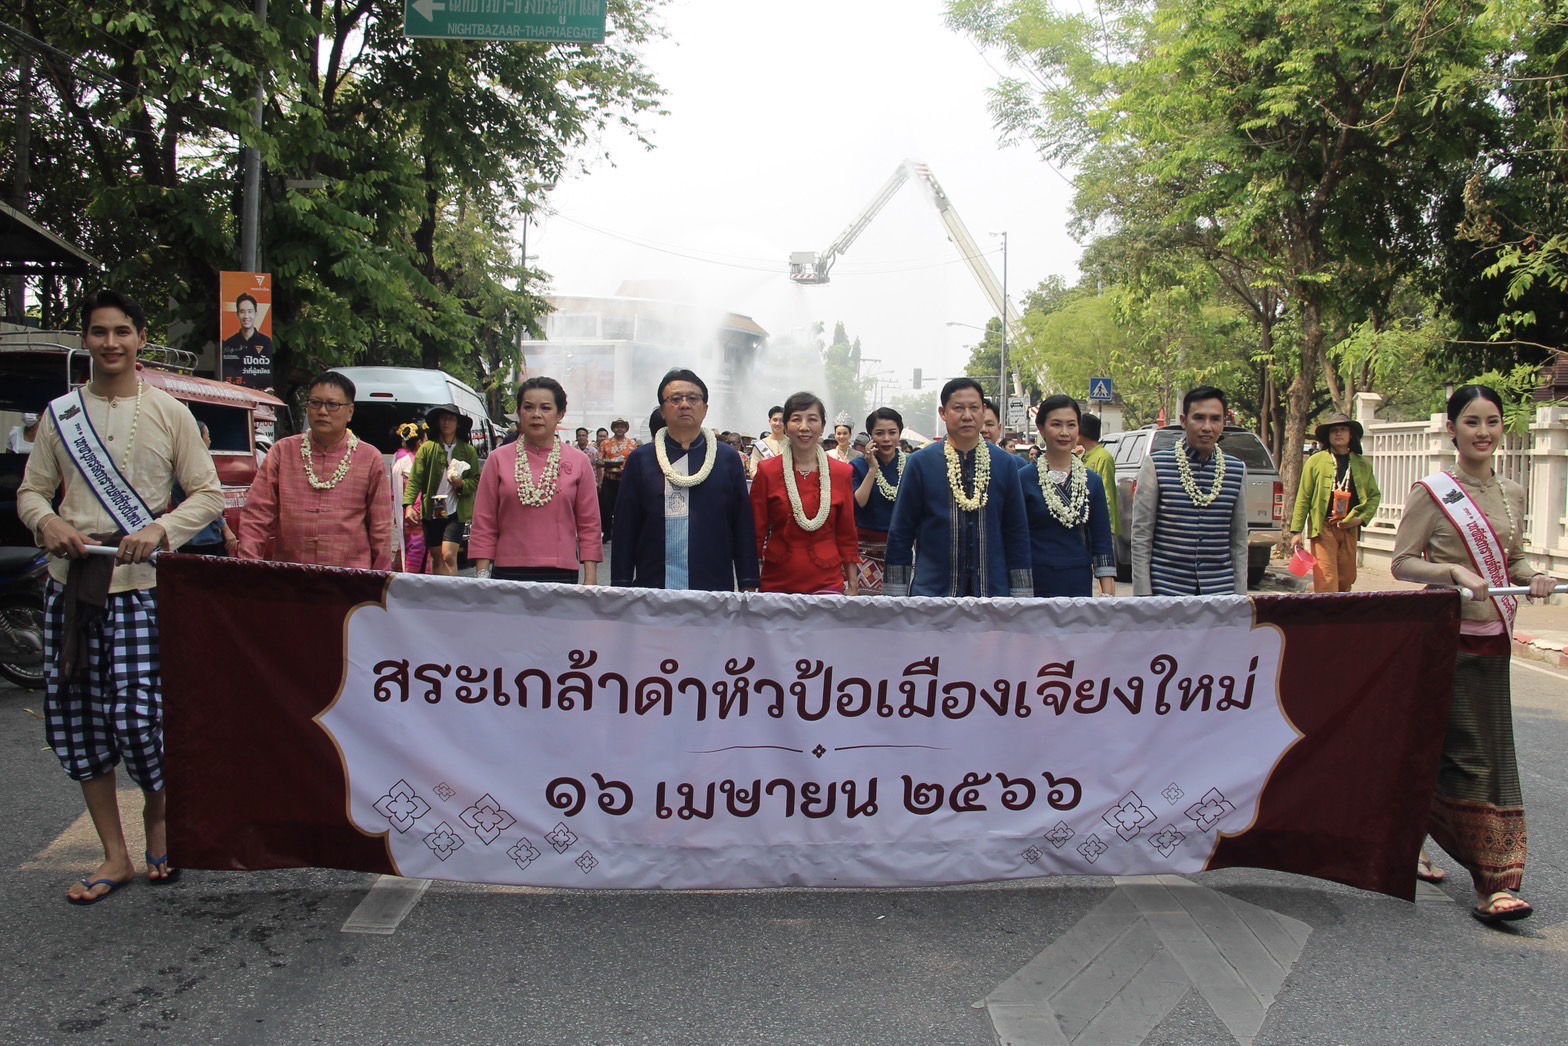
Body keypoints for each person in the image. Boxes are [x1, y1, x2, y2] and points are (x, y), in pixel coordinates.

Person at [17, 289, 225, 903]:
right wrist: (46, 523)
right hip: (72, 589)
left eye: (122, 332)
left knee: (140, 720)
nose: (111, 343)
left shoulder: (170, 412)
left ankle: (157, 820)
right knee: (80, 721)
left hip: (141, 588)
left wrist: (161, 529)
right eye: (99, 332)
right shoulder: (60, 416)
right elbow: (31, 493)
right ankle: (114, 854)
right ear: (86, 339)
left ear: (140, 339)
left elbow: (207, 494)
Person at [1391, 385, 1559, 925]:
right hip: (1443, 639)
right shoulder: (1433, 492)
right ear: (1452, 429)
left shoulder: (1512, 491)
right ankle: (1494, 882)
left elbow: (1514, 559)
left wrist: (1536, 578)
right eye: (1471, 422)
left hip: (1493, 642)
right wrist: (1454, 573)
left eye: (1492, 422)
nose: (1483, 432)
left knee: (1466, 748)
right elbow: (1402, 563)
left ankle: (1409, 832)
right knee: (1466, 755)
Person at [611, 368, 759, 591]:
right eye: (675, 399)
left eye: (693, 398)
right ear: (662, 410)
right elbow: (625, 527)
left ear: (705, 408)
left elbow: (742, 524)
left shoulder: (728, 459)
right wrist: (620, 584)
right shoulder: (641, 460)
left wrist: (748, 582)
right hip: (653, 586)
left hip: (714, 587)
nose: (684, 405)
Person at [885, 378, 1032, 598]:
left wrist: (1021, 597)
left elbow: (1016, 533)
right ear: (943, 413)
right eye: (958, 408)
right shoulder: (921, 463)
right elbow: (901, 532)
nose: (967, 416)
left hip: (993, 596)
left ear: (983, 411)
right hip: (932, 595)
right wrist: (895, 598)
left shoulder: (1005, 464)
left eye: (974, 408)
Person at [239, 371, 393, 570]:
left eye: (332, 405)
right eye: (315, 403)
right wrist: (246, 569)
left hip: (351, 582)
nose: (322, 411)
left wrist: (379, 586)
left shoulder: (370, 458)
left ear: (350, 412)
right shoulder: (283, 452)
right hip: (290, 579)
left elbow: (381, 531)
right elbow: (256, 517)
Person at [469, 378, 601, 585]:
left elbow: (589, 524)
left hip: (561, 571)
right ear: (520, 413)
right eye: (528, 407)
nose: (536, 414)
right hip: (507, 572)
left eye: (546, 408)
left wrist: (591, 578)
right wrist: (482, 576)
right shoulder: (498, 459)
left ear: (560, 414)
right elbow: (484, 522)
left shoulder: (579, 461)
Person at [1131, 386, 1248, 596]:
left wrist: (1239, 598)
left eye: (1215, 419)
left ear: (1224, 423)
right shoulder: (1157, 465)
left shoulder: (1236, 470)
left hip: (1220, 593)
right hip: (1166, 591)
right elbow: (1141, 536)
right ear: (1184, 421)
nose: (1207, 427)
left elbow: (1238, 542)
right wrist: (1143, 596)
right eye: (1199, 418)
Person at [751, 392, 860, 594]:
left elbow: (846, 532)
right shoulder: (767, 471)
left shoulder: (842, 472)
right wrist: (748, 583)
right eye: (796, 419)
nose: (804, 427)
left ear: (822, 426)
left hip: (827, 582)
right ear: (785, 425)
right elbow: (756, 531)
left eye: (812, 419)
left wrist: (852, 583)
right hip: (777, 580)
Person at [1021, 396, 1116, 598]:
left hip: (1078, 583)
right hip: (1033, 586)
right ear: (1041, 428)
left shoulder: (1092, 482)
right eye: (1056, 424)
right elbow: (1015, 541)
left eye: (1071, 425)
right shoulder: (1022, 479)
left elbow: (1102, 541)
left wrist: (1108, 596)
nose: (1064, 432)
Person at [1288, 412, 1380, 592]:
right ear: (1328, 436)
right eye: (1334, 430)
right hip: (1323, 527)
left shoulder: (1362, 464)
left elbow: (1374, 496)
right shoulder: (1316, 461)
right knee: (1326, 577)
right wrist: (1296, 531)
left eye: (1343, 429)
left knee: (1346, 578)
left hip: (1349, 526)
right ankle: (1324, 617)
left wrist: (1360, 519)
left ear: (1350, 434)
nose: (1338, 433)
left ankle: (1340, 617)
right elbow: (1304, 496)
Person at [403, 405, 480, 575]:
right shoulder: (427, 448)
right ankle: (439, 594)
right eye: (443, 418)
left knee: (448, 555)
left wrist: (461, 484)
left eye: (451, 419)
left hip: (456, 512)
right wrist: (408, 505)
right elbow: (415, 479)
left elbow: (475, 479)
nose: (446, 422)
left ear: (458, 424)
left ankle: (450, 594)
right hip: (433, 509)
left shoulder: (468, 451)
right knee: (436, 556)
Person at [851, 407, 906, 595]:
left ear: (900, 432)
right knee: (865, 611)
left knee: (898, 609)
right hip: (865, 551)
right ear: (870, 435)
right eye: (879, 433)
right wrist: (872, 469)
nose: (886, 439)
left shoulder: (911, 465)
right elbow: (858, 503)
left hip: (900, 550)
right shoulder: (858, 466)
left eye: (892, 432)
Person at [174, 421, 239, 556]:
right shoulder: (197, 466)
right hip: (204, 538)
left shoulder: (179, 461)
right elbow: (208, 500)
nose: (210, 440)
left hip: (185, 537)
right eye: (207, 436)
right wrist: (226, 529)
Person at [390, 422, 427, 573]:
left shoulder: (400, 461)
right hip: (417, 512)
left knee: (411, 546)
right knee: (418, 549)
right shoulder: (419, 462)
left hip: (406, 511)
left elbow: (394, 490)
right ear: (419, 442)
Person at [1078, 413, 1121, 543]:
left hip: (1103, 527)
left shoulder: (1103, 458)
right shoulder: (1080, 457)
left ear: (1082, 431)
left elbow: (1107, 494)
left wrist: (1107, 528)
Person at [598, 418, 638, 541]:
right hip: (609, 479)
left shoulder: (632, 444)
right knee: (606, 507)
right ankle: (607, 533)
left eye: (622, 427)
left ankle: (622, 532)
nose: (619, 429)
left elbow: (635, 462)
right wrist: (608, 463)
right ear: (613, 428)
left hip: (625, 480)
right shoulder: (605, 443)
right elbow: (599, 461)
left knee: (624, 507)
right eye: (617, 426)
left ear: (626, 429)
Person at [748, 405, 786, 477]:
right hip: (766, 486)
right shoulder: (760, 445)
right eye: (775, 420)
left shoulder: (792, 444)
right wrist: (765, 468)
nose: (777, 423)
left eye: (781, 420)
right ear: (770, 421)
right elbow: (752, 473)